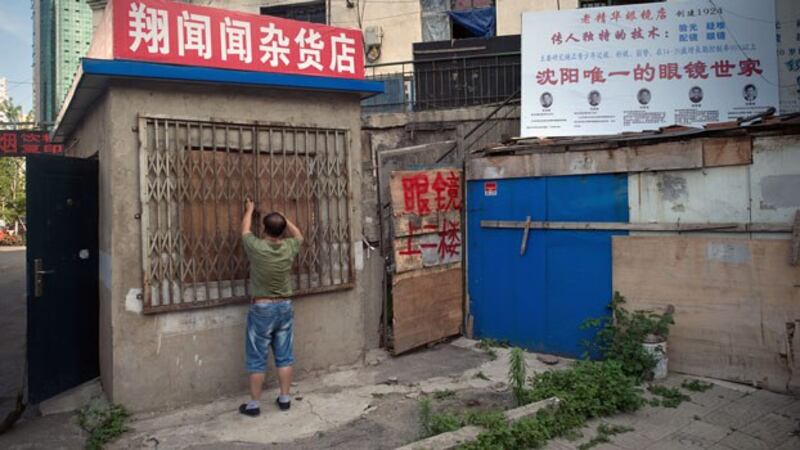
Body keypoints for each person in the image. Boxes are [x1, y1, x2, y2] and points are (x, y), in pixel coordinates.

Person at [239, 197, 303, 417]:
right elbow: (299, 235)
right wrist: (284, 219)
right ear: (282, 230)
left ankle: (254, 404)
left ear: (264, 229)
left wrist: (249, 210)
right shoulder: (289, 247)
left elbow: (245, 230)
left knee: (257, 356)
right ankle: (284, 398)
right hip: (284, 306)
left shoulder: (257, 247)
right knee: (284, 355)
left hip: (262, 308)